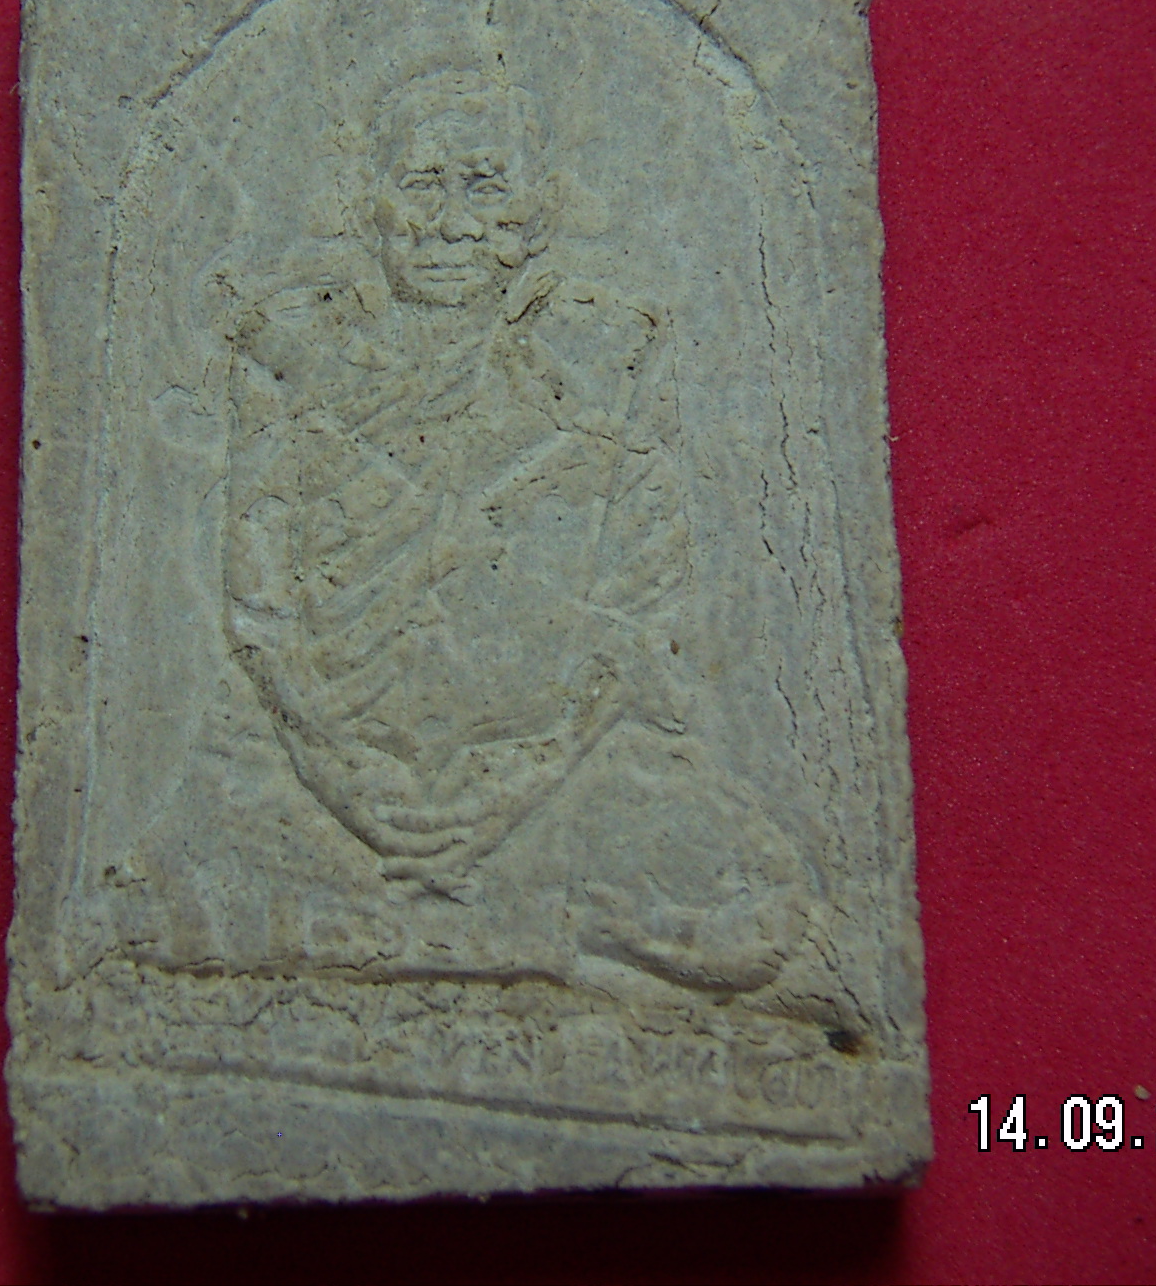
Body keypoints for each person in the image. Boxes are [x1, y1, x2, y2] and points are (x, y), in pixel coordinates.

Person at [223, 71, 833, 1002]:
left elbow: (638, 625)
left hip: (554, 768)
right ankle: (507, 931)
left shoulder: (611, 363)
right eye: (422, 183)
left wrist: (510, 789)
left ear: (537, 214)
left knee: (766, 911)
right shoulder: (289, 355)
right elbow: (259, 619)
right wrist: (343, 782)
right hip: (327, 763)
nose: (450, 223)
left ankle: (448, 926)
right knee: (152, 871)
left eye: (485, 187)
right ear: (370, 201)